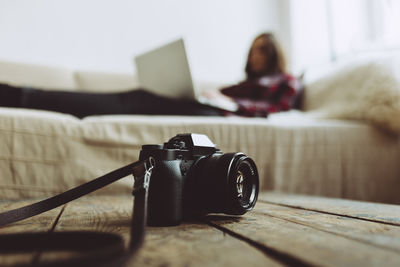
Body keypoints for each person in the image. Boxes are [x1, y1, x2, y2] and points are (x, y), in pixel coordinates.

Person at [0, 33, 301, 118]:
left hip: (221, 115)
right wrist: (219, 96)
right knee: (137, 97)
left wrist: (234, 105)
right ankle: (21, 94)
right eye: (253, 50)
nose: (254, 56)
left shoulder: (287, 81)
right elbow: (223, 94)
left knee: (135, 100)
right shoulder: (246, 83)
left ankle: (20, 96)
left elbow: (279, 109)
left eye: (262, 50)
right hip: (212, 108)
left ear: (274, 54)